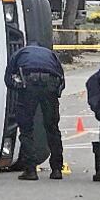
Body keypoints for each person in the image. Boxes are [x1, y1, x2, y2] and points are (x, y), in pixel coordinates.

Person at [5, 43, 65, 181]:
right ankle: (57, 169)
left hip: (28, 85)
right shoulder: (51, 55)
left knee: (26, 129)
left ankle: (30, 170)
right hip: (50, 83)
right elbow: (62, 79)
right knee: (52, 128)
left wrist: (19, 88)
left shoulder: (19, 53)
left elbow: (8, 78)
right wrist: (55, 93)